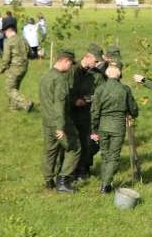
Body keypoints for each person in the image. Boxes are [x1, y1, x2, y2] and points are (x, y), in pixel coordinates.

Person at [90, 64, 139, 193]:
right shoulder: (125, 89)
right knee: (114, 156)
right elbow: (133, 109)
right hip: (118, 126)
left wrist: (94, 129)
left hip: (103, 125)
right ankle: (106, 184)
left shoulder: (100, 89)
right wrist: (131, 114)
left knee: (105, 155)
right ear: (119, 75)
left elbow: (94, 111)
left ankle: (105, 183)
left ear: (106, 74)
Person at [39, 49, 80, 193]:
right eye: (70, 64)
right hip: (59, 122)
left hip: (47, 121)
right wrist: (61, 127)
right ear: (65, 61)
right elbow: (60, 104)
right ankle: (63, 180)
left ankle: (48, 180)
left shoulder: (45, 76)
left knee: (50, 150)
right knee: (74, 147)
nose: (70, 68)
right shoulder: (60, 79)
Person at [0, 21, 33, 111]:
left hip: (14, 68)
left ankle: (26, 102)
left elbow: (6, 59)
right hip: (24, 67)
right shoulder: (23, 38)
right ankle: (13, 107)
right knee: (15, 87)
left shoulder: (8, 42)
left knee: (9, 89)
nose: (4, 34)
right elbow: (30, 52)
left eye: (4, 32)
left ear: (8, 31)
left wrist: (1, 69)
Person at [71, 48, 100, 180]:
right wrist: (75, 101)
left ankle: (82, 170)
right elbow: (66, 90)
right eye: (96, 60)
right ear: (87, 57)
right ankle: (71, 172)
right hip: (72, 112)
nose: (97, 63)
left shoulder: (91, 73)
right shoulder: (73, 70)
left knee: (86, 142)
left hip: (85, 113)